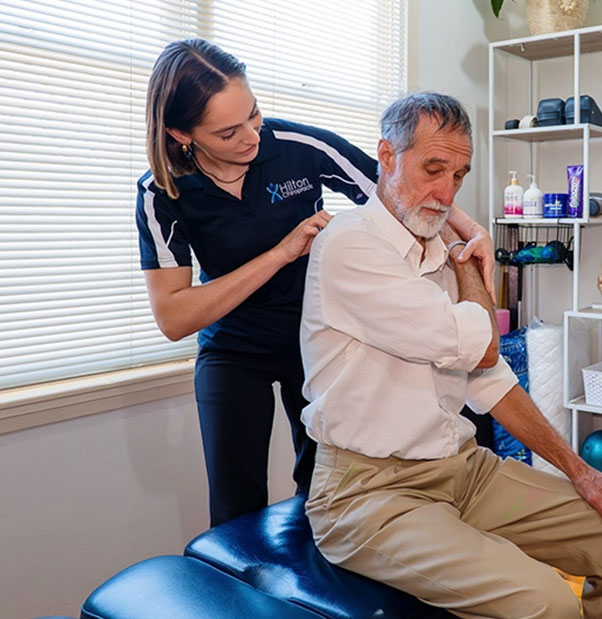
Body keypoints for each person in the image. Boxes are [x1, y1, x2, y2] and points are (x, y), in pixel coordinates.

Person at [300, 92, 602, 618]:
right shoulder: (351, 246)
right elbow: (482, 341)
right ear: (385, 156)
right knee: (547, 603)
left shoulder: (435, 248)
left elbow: (489, 377)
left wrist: (581, 471)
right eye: (432, 169)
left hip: (462, 470)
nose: (445, 192)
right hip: (369, 495)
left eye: (459, 176)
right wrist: (469, 250)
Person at [136, 39, 495, 527]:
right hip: (233, 350)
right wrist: (281, 254)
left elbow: (401, 183)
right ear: (182, 134)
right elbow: (174, 317)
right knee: (234, 502)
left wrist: (472, 234)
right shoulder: (163, 192)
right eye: (227, 132)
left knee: (319, 488)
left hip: (313, 339)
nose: (250, 137)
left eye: (254, 114)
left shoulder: (297, 148)